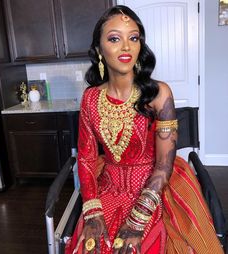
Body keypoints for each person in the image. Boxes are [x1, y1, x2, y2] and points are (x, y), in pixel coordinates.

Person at [65, 5, 224, 254]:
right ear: (99, 49)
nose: (126, 46)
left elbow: (163, 166)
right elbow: (86, 157)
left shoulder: (159, 94)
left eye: (134, 37)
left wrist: (138, 220)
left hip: (156, 185)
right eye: (114, 38)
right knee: (94, 245)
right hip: (108, 183)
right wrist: (93, 213)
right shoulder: (90, 98)